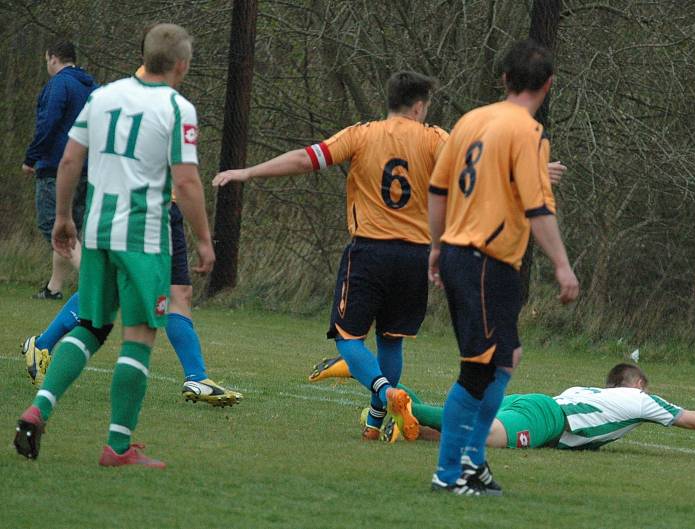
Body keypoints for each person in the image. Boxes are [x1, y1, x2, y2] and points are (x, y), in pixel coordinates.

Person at [13, 23, 215, 468]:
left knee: (91, 325)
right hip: (144, 236)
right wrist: (203, 239)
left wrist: (64, 217)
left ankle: (38, 408)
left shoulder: (101, 97)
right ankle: (117, 447)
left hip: (99, 230)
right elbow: (186, 180)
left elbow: (69, 159)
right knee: (139, 335)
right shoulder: (178, 108)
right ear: (182, 65)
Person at [214, 71, 449, 441]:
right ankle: (375, 421)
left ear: (390, 101)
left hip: (370, 251)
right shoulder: (436, 139)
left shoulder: (361, 134)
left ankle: (386, 395)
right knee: (391, 340)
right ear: (420, 106)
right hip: (415, 257)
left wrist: (249, 171)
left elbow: (305, 159)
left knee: (348, 339)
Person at [426, 39, 579, 495]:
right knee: (478, 368)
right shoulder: (529, 133)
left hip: (466, 255)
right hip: (484, 262)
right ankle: (448, 473)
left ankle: (473, 460)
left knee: (506, 359)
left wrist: (436, 247)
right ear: (548, 86)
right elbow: (537, 209)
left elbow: (439, 189)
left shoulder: (472, 120)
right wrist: (562, 266)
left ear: (504, 79)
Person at [380, 363, 695, 450]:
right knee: (487, 438)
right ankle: (400, 397)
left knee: (445, 435)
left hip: (536, 405)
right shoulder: (641, 399)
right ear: (639, 384)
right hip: (546, 416)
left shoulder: (592, 390)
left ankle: (391, 415)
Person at [23, 40, 96, 300]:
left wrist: (31, 157)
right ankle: (54, 287)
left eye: (47, 61)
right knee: (70, 226)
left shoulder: (58, 85)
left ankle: (96, 283)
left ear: (53, 58)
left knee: (52, 225)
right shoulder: (92, 87)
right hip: (87, 168)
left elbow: (48, 121)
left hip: (56, 167)